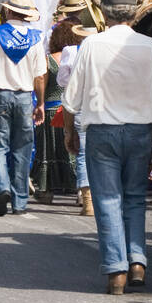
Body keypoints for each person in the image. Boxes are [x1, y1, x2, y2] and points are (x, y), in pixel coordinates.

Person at [63, 0, 152, 295]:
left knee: (108, 200)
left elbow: (71, 99)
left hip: (102, 131)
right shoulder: (150, 47)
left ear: (104, 13)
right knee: (133, 198)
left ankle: (117, 270)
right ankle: (137, 262)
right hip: (140, 131)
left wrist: (68, 131)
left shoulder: (91, 45)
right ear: (133, 13)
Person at [0, 0, 47, 217]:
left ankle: (2, 187)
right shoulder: (36, 38)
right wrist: (40, 103)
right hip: (25, 97)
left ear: (8, 11)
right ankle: (20, 201)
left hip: (0, 96)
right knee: (22, 149)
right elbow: (40, 77)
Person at [32, 19, 78, 205]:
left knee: (47, 151)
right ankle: (77, 188)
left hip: (51, 109)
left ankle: (46, 190)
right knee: (73, 151)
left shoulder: (48, 59)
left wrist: (40, 103)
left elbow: (41, 82)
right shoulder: (77, 57)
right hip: (71, 108)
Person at [57, 24, 95, 215]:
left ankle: (87, 200)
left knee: (83, 153)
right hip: (101, 106)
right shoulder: (104, 50)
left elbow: (63, 81)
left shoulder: (72, 51)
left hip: (79, 104)